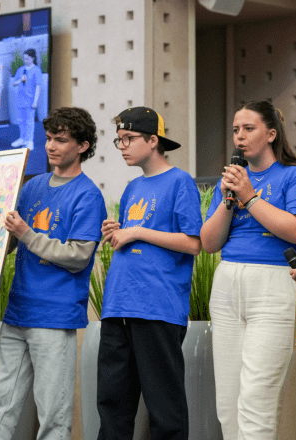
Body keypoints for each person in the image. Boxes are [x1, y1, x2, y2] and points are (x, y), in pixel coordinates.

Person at [0, 107, 107, 440]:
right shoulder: (32, 187)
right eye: (48, 138)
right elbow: (11, 243)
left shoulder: (88, 195)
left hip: (55, 316)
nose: (50, 146)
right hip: (18, 311)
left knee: (53, 414)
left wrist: (26, 233)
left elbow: (78, 255)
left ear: (83, 146)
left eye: (60, 140)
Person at [200, 100, 296, 440]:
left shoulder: (293, 175)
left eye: (248, 128)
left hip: (272, 284)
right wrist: (228, 200)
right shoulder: (231, 180)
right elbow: (209, 243)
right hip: (228, 283)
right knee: (227, 405)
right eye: (235, 130)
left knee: (256, 400)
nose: (239, 137)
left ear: (271, 134)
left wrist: (250, 196)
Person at [97, 106, 203, 440]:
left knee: (164, 408)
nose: (122, 146)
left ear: (153, 140)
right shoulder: (132, 188)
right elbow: (132, 238)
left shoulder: (180, 181)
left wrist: (137, 231)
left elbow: (193, 243)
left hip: (157, 307)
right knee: (112, 405)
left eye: (129, 138)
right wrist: (117, 232)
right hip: (118, 305)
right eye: (119, 140)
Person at [11, 48, 42, 150]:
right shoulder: (20, 70)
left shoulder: (36, 70)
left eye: (27, 58)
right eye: (24, 58)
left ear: (33, 58)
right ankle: (22, 138)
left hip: (30, 100)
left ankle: (29, 141)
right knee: (20, 120)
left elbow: (38, 87)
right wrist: (20, 80)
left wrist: (35, 101)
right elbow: (14, 83)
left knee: (29, 122)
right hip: (20, 99)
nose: (25, 60)